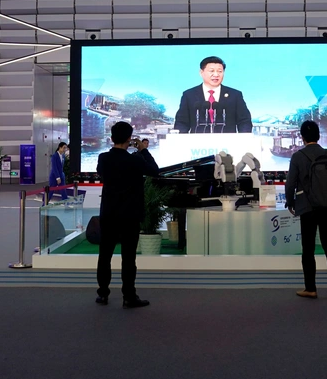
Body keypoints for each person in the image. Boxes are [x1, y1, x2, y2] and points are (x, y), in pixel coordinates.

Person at [96, 121, 159, 308]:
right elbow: (154, 171)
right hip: (130, 214)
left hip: (108, 213)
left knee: (104, 255)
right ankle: (129, 296)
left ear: (112, 137)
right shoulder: (135, 159)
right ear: (130, 139)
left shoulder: (103, 158)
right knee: (129, 258)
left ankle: (103, 294)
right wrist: (143, 150)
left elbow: (102, 174)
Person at [285, 120, 327, 299]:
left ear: (302, 137)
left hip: (307, 206)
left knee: (308, 247)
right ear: (318, 136)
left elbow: (291, 183)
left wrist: (290, 202)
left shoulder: (298, 156)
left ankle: (310, 288)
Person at [174, 56, 252, 133]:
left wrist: (244, 138)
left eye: (220, 71)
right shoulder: (189, 95)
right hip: (197, 143)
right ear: (201, 73)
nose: (216, 74)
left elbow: (244, 121)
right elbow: (181, 122)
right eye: (211, 71)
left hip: (228, 142)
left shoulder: (235, 95)